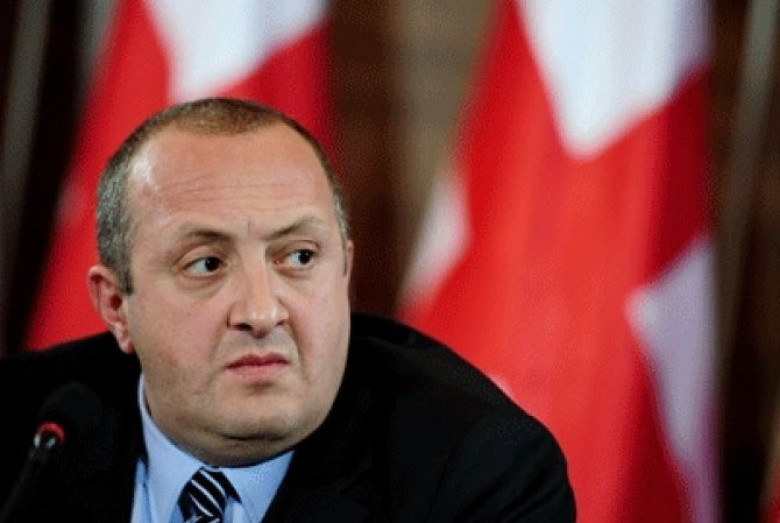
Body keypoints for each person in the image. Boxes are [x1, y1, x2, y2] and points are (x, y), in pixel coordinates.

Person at [0, 98, 575, 522]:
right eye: (206, 264)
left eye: (299, 257)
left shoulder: (476, 471)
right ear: (116, 306)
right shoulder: (25, 431)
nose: (261, 311)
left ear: (343, 273)